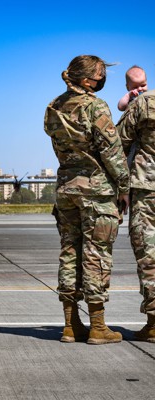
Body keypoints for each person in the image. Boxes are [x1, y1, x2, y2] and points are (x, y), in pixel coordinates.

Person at [44, 55, 130, 345]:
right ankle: (98, 326)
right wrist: (124, 186)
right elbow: (111, 151)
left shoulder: (54, 106)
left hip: (66, 189)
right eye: (99, 75)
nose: (101, 80)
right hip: (96, 191)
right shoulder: (96, 106)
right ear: (85, 80)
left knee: (69, 252)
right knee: (97, 255)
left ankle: (70, 326)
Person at [117, 86, 155, 343]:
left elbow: (118, 141)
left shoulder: (144, 102)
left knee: (149, 255)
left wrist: (121, 187)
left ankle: (154, 323)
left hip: (146, 188)